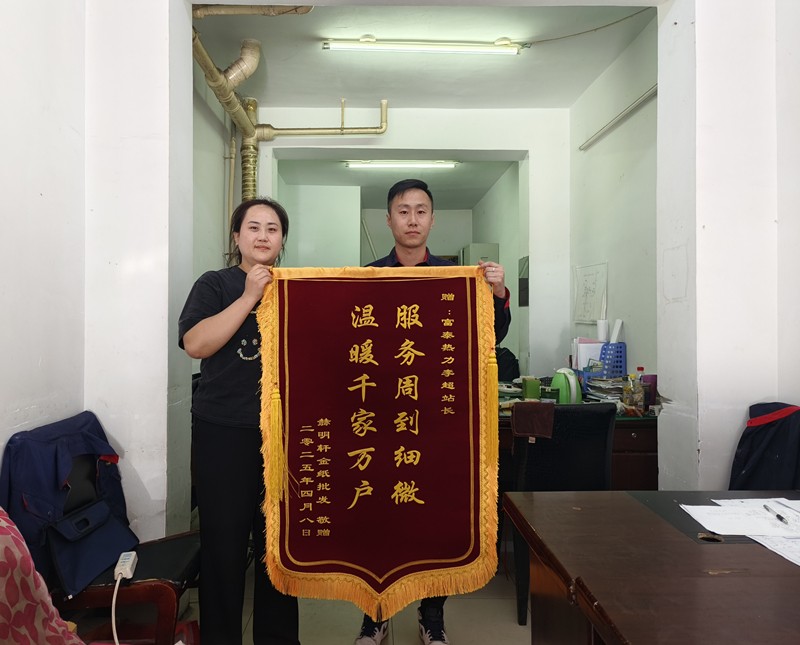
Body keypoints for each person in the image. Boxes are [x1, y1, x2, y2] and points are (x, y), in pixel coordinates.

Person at [355, 179, 511, 645]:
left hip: (438, 420)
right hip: (381, 419)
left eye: (421, 211)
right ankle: (376, 614)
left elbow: (492, 336)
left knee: (434, 518)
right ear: (389, 220)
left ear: (432, 219)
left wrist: (498, 291)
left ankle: (432, 615)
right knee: (378, 517)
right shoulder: (366, 276)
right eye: (403, 211)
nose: (412, 219)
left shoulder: (456, 276)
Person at [179, 198, 300, 645]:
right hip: (223, 433)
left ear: (282, 239)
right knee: (223, 546)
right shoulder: (215, 284)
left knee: (279, 549)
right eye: (253, 227)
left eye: (272, 228)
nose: (263, 235)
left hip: (282, 436)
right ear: (236, 236)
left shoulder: (295, 287)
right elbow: (196, 344)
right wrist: (250, 295)